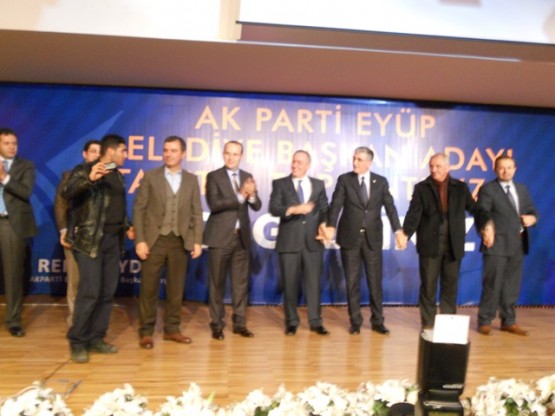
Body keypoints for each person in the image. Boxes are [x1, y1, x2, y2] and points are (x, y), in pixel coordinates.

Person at [400, 153, 493, 330]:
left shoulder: (460, 188)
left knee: (450, 287)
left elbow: (475, 209)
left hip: (453, 245)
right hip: (429, 245)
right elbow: (414, 214)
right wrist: (406, 233)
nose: (434, 170)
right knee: (428, 287)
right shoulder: (422, 188)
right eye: (431, 166)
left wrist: (486, 224)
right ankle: (428, 324)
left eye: (438, 166)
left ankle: (447, 325)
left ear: (448, 167)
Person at [62, 134, 134, 363]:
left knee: (106, 292)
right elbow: (67, 192)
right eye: (123, 150)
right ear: (110, 151)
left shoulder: (118, 176)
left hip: (113, 241)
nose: (126, 155)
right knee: (90, 291)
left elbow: (117, 208)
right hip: (90, 240)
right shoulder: (84, 170)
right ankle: (77, 341)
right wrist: (89, 179)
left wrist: (128, 226)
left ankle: (96, 338)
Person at [133, 136, 203, 349]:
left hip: (179, 242)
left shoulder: (191, 180)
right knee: (148, 289)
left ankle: (172, 329)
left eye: (173, 150)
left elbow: (196, 212)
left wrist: (197, 241)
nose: (168, 154)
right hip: (154, 241)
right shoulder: (150, 177)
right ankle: (146, 332)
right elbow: (139, 210)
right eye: (165, 150)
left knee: (176, 290)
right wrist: (140, 240)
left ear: (183, 154)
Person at [326, 146, 403, 335]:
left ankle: (378, 321)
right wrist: (331, 225)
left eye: (359, 159)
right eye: (354, 158)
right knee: (352, 282)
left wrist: (398, 230)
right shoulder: (344, 180)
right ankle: (355, 322)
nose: (355, 162)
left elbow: (390, 207)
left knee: (375, 282)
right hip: (349, 238)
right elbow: (335, 205)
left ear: (369, 162)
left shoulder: (380, 182)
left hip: (372, 239)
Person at [203, 141, 261, 340]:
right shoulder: (214, 176)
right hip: (220, 238)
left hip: (241, 238)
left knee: (240, 284)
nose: (231, 157)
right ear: (223, 154)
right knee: (216, 284)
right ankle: (217, 324)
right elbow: (214, 204)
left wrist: (252, 195)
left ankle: (239, 324)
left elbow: (256, 205)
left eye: (235, 154)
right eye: (228, 153)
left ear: (241, 156)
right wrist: (240, 195)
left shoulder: (247, 176)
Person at [476, 154, 538, 336]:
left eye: (509, 167)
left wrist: (532, 218)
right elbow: (482, 212)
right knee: (492, 284)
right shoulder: (488, 189)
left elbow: (532, 211)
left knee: (511, 286)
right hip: (496, 244)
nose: (506, 171)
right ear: (495, 170)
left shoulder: (522, 189)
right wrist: (487, 228)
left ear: (515, 169)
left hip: (517, 244)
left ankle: (508, 321)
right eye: (502, 168)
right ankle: (485, 321)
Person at [269, 150, 329, 336]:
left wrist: (324, 224)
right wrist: (294, 209)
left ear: (308, 165)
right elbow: (274, 208)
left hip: (313, 242)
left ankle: (316, 322)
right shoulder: (280, 184)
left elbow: (325, 209)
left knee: (314, 284)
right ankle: (292, 322)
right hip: (289, 242)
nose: (295, 165)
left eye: (299, 162)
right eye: (293, 161)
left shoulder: (318, 185)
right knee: (290, 284)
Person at [54, 139, 101, 326]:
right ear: (84, 154)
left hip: (97, 238)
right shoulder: (71, 176)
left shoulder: (108, 178)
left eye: (99, 152)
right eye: (93, 151)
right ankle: (75, 319)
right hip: (74, 235)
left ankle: (90, 319)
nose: (96, 155)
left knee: (93, 281)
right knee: (75, 280)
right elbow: (61, 204)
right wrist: (64, 229)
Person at [0, 128, 37, 337]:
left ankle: (13, 320)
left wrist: (4, 178)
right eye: (6, 143)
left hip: (10, 224)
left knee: (13, 275)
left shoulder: (26, 166)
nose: (12, 147)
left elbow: (25, 192)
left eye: (14, 143)